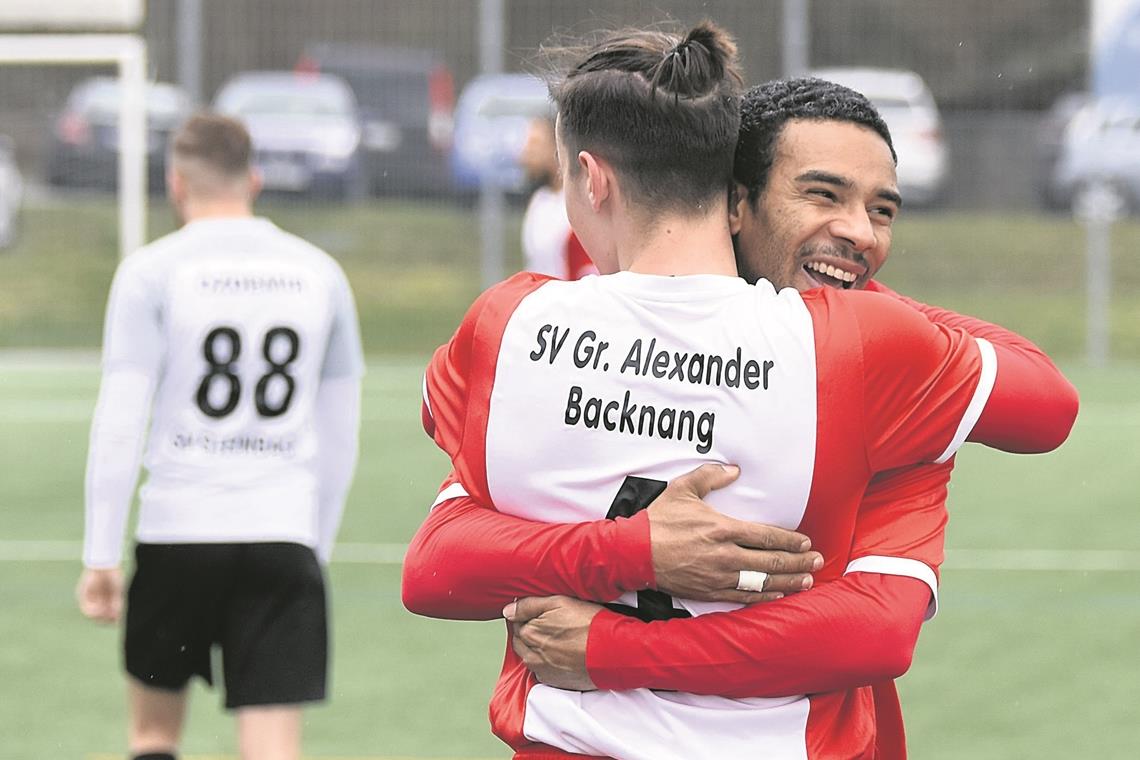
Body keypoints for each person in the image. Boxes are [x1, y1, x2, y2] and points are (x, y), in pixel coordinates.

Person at [407, 23, 1077, 760]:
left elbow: (439, 552)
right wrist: (634, 550)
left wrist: (611, 640)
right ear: (733, 198)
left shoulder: (515, 321)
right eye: (822, 194)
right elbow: (1045, 406)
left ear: (593, 180)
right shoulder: (870, 361)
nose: (858, 232)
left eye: (884, 210)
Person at [76, 113, 364, 760]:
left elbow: (120, 418)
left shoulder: (152, 271)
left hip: (178, 533)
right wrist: (312, 542)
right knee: (271, 748)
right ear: (254, 180)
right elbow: (341, 426)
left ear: (176, 184)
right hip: (280, 533)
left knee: (153, 737)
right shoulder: (319, 273)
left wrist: (101, 555)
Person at [519, 113, 596, 280]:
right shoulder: (540, 200)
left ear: (557, 148)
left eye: (535, 144)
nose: (525, 154)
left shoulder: (581, 204)